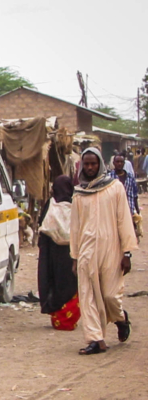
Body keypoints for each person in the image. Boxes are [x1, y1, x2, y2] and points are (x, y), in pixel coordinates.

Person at [71, 148, 138, 355]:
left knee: (109, 296)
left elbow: (124, 220)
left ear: (100, 164)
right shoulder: (79, 193)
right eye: (87, 164)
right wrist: (74, 257)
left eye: (93, 164)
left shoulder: (115, 188)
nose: (90, 168)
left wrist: (127, 253)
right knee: (88, 296)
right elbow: (75, 227)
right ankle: (95, 339)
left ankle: (121, 318)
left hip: (111, 250)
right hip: (86, 251)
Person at [37, 176, 79, 330]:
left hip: (52, 253)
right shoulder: (76, 205)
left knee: (53, 282)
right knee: (71, 284)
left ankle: (57, 316)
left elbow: (42, 225)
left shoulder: (51, 204)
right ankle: (70, 317)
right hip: (71, 253)